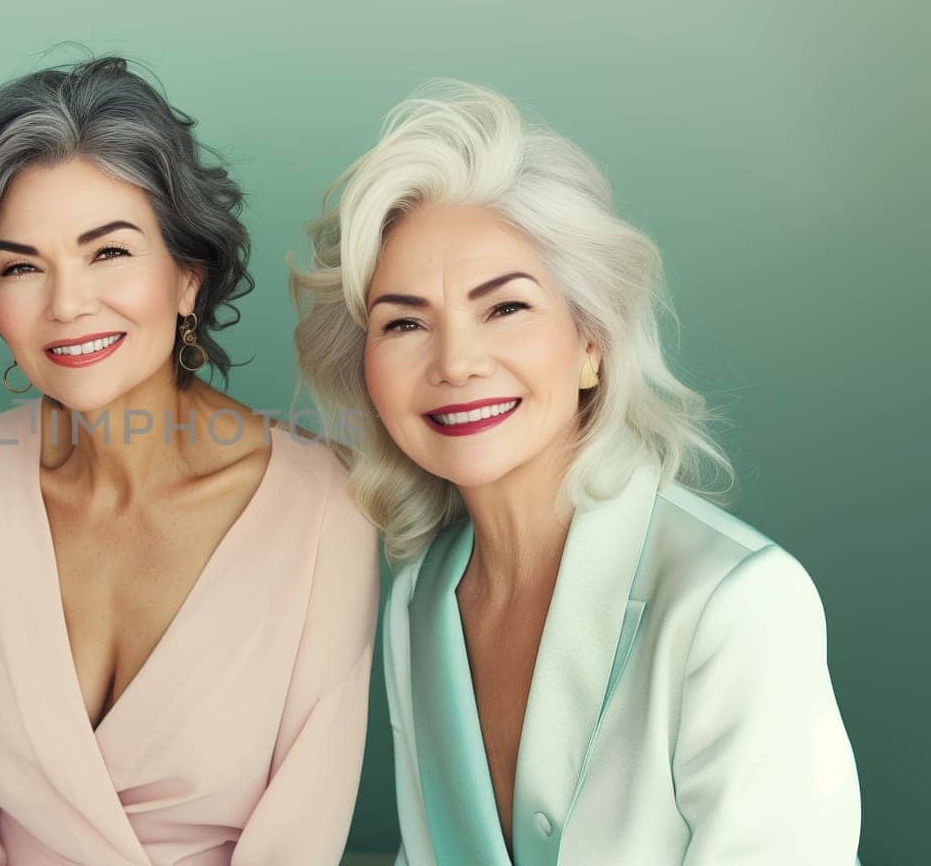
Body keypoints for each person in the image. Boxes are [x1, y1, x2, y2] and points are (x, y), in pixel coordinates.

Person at [294, 80, 861, 865]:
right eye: (405, 323)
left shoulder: (739, 603)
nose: (456, 363)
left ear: (591, 344)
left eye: (506, 308)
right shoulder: (420, 602)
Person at [0, 57, 379, 865]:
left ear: (188, 275)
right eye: (21, 266)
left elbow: (298, 840)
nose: (66, 303)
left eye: (108, 252)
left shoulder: (326, 507)